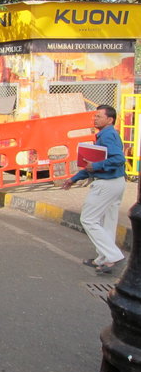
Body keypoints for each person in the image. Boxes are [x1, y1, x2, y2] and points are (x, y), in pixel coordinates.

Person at [62, 105, 126, 274]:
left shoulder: (108, 135)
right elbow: (91, 165)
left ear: (109, 119)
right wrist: (74, 179)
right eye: (95, 116)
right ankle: (104, 259)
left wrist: (96, 165)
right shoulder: (106, 135)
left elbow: (118, 159)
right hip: (116, 182)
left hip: (106, 184)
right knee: (108, 222)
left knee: (89, 219)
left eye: (98, 116)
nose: (95, 119)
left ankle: (113, 256)